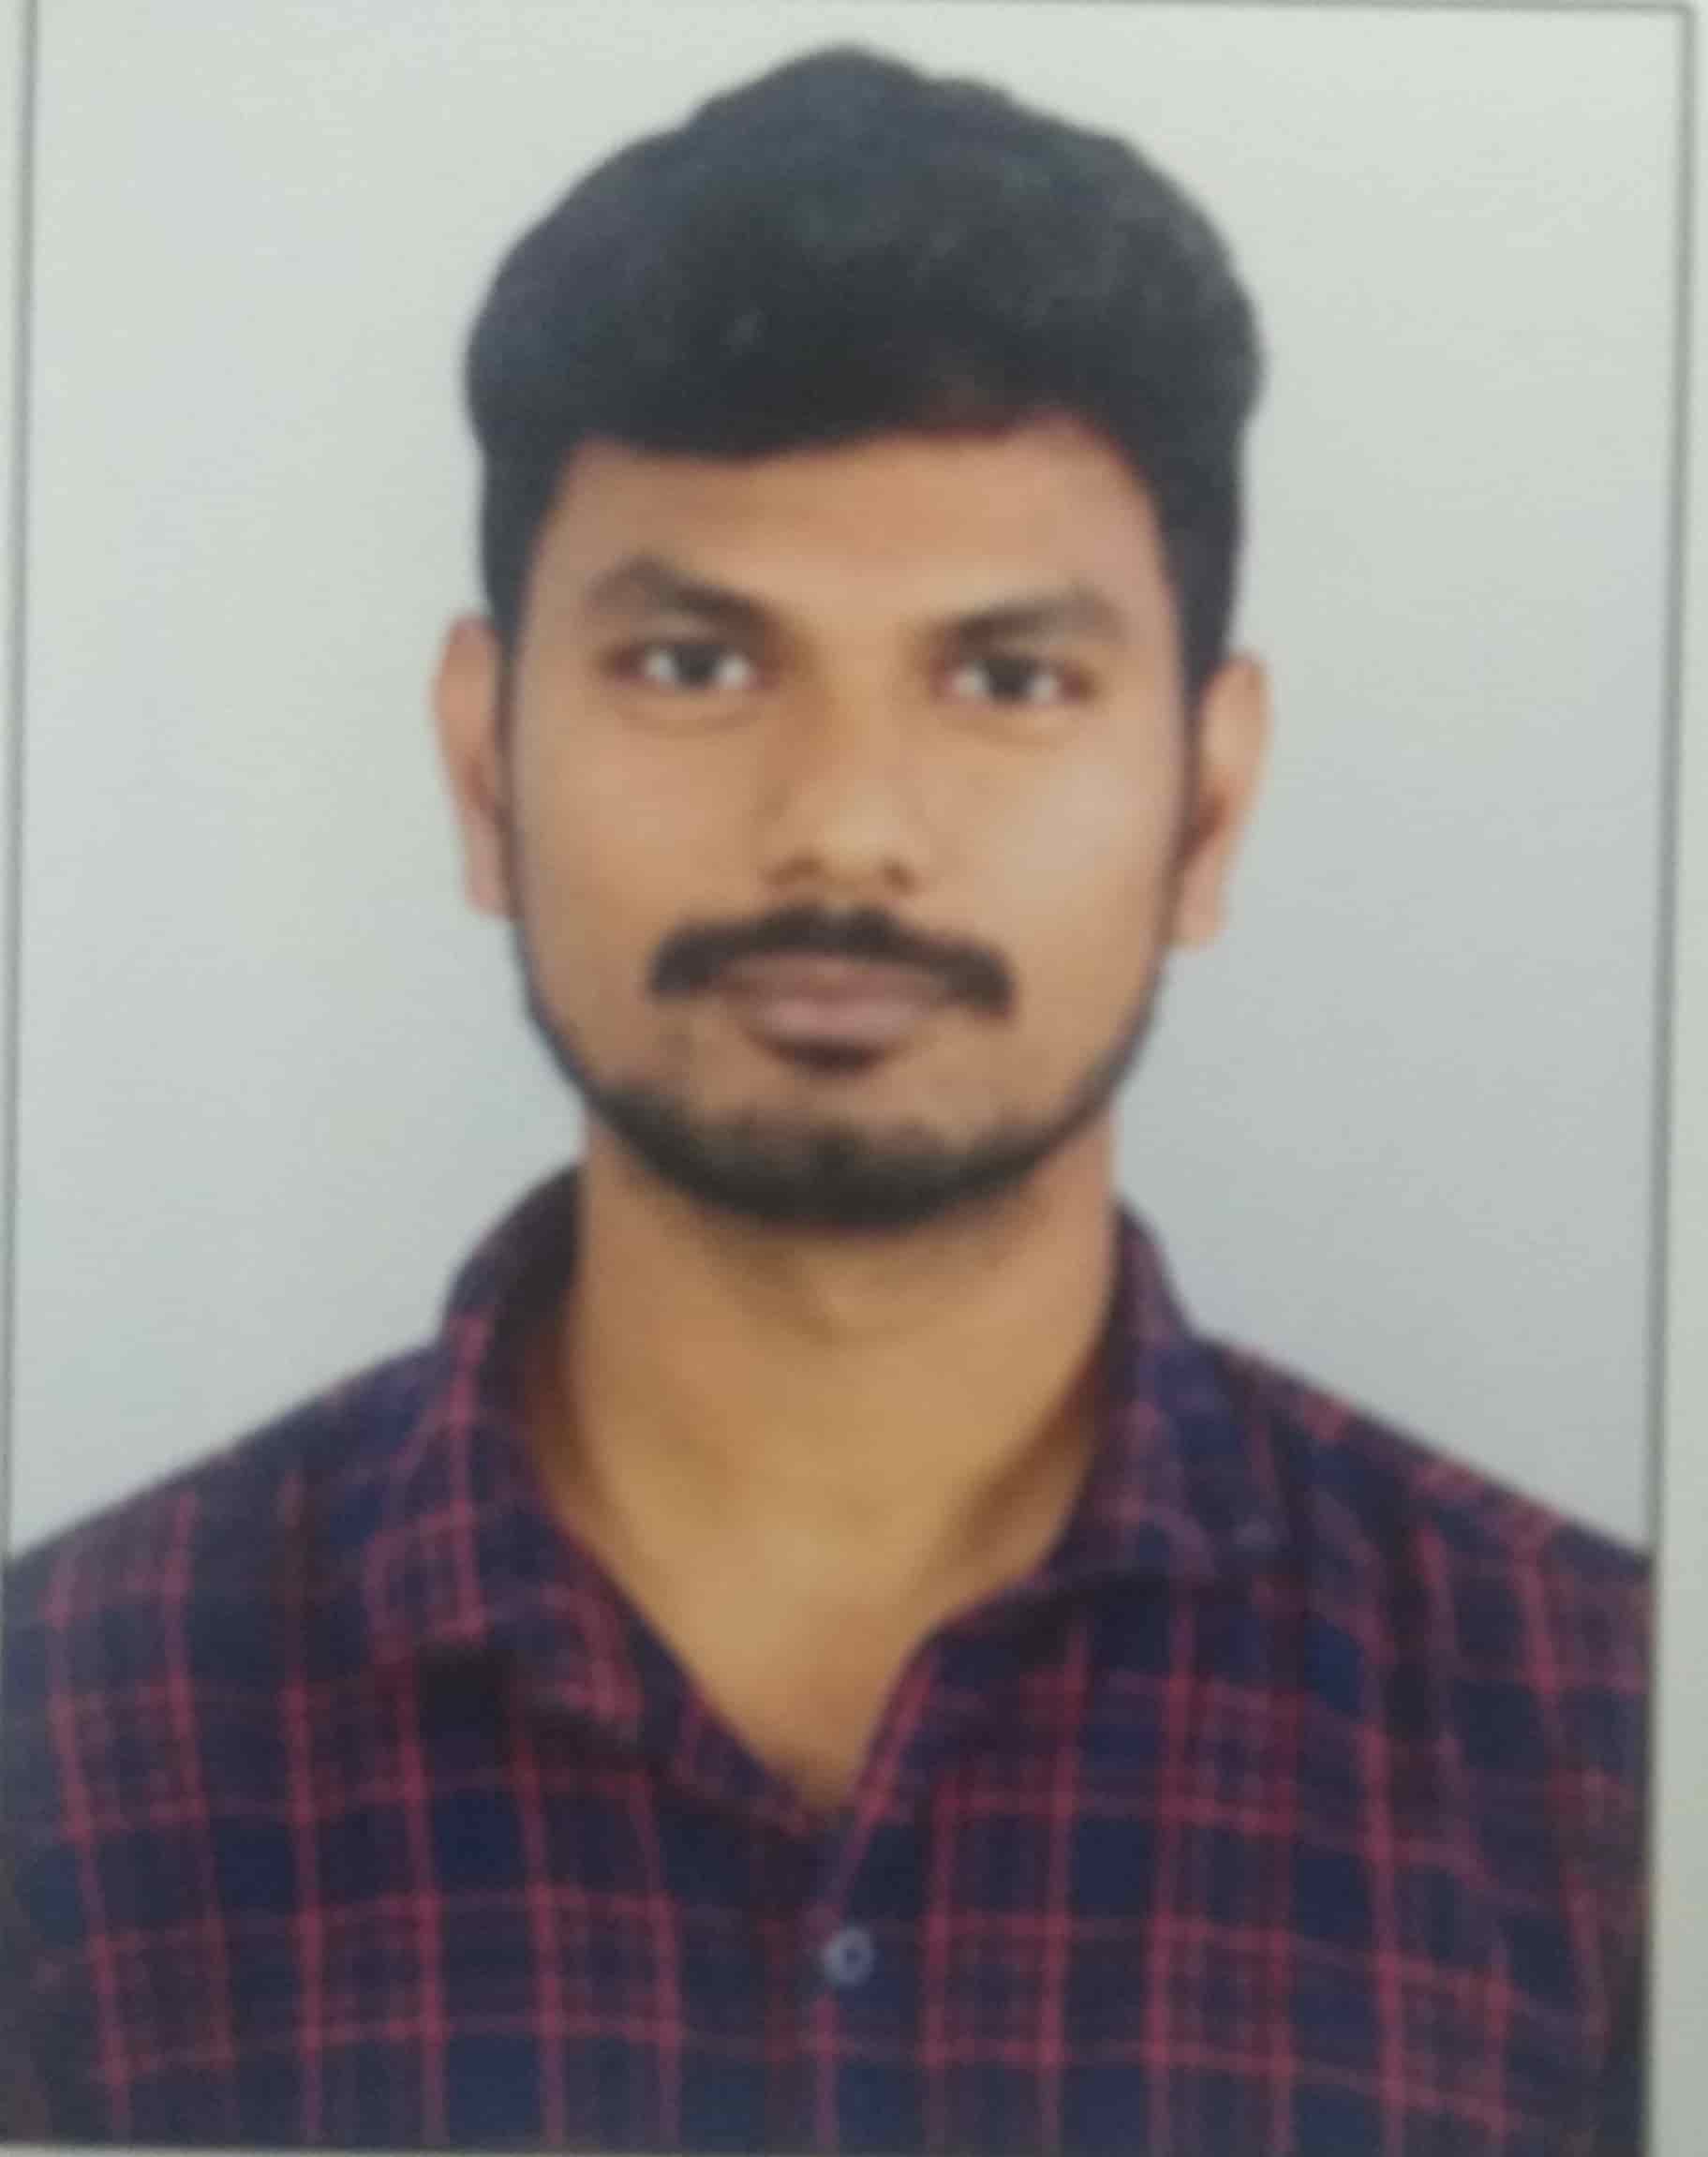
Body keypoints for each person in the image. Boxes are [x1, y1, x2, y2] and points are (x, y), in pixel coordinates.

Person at [1, 44, 1647, 2156]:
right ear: (486, 768)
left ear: (1208, 801)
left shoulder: (1607, 1754)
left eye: (1008, 678)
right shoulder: (65, 1759)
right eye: (695, 664)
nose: (847, 826)